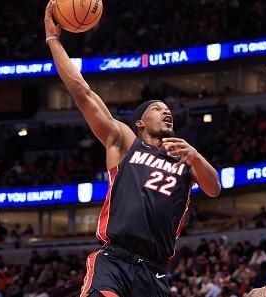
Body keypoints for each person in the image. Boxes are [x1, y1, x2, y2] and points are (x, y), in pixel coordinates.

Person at [43, 2, 221, 297]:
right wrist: (53, 40)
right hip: (114, 259)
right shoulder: (124, 141)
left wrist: (197, 157)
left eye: (168, 110)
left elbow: (214, 188)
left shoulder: (185, 159)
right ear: (140, 122)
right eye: (157, 108)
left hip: (154, 272)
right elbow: (82, 92)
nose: (166, 113)